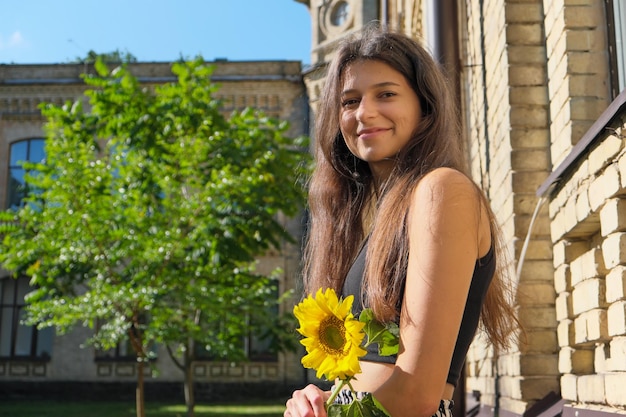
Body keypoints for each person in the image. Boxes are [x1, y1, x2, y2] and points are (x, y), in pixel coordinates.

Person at [284, 26, 519, 417]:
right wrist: (318, 402)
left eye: (386, 94)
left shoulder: (442, 190)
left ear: (423, 105)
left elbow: (416, 394)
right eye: (349, 101)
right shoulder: (376, 220)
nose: (364, 112)